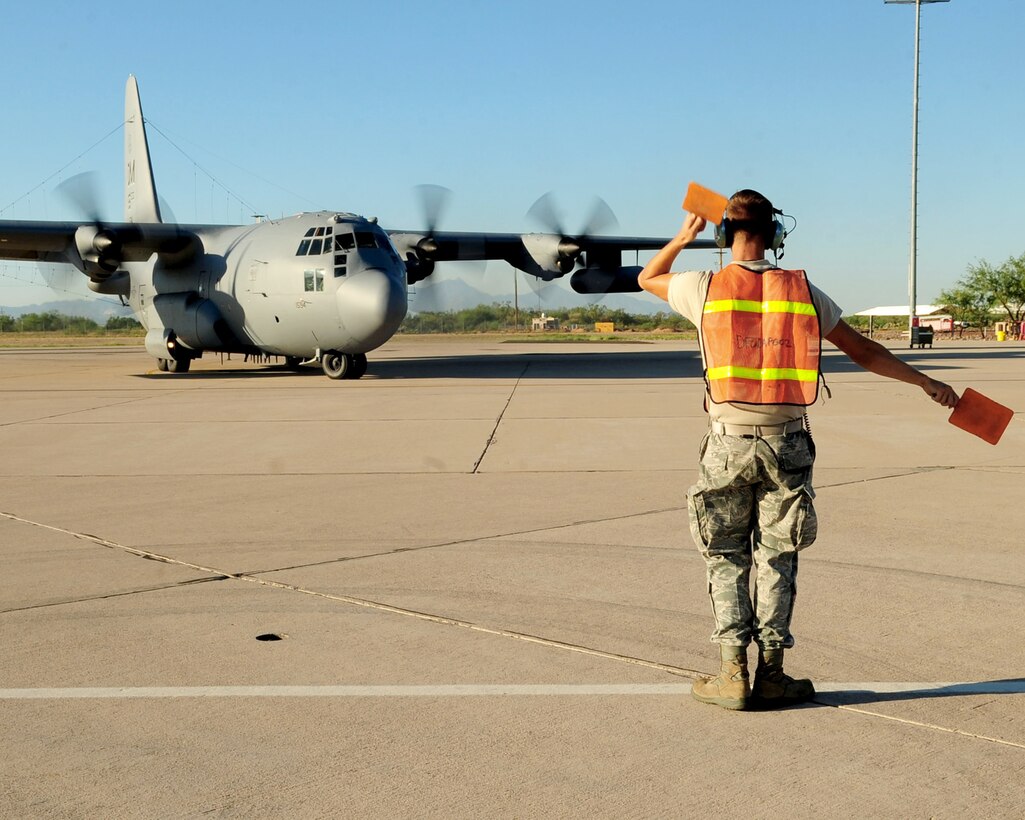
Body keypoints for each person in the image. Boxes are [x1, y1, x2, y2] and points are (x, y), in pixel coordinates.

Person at [638, 189, 959, 711]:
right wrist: (926, 383)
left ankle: (731, 674)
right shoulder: (804, 293)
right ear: (777, 235)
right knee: (778, 557)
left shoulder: (705, 286)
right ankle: (773, 674)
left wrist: (682, 237)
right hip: (788, 443)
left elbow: (646, 278)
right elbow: (866, 351)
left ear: (724, 235)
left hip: (728, 442)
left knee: (725, 556)